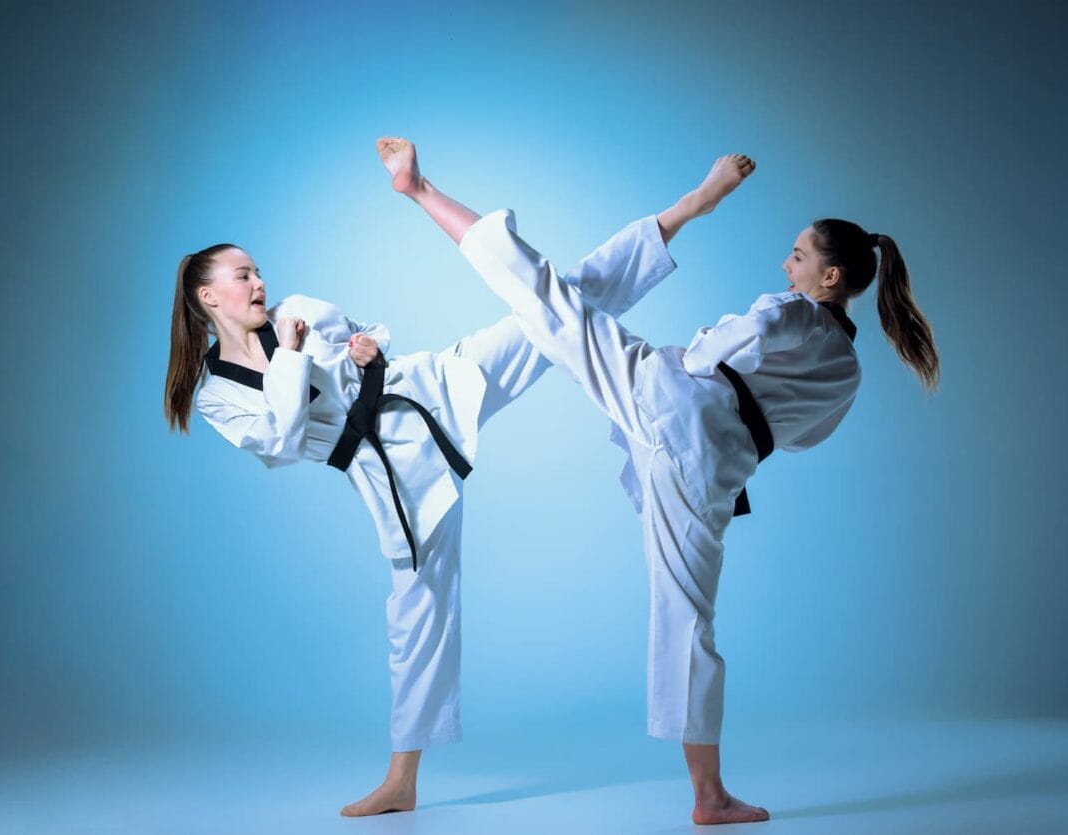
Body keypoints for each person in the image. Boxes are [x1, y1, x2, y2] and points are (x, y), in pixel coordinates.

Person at [379, 136, 939, 825]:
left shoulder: (795, 309)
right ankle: (709, 795)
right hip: (714, 466)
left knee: (547, 297)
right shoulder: (847, 373)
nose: (785, 262)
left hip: (677, 401)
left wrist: (694, 358)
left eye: (798, 255)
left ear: (830, 277)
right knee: (688, 617)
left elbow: (747, 331)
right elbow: (803, 436)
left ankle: (420, 191)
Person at [162, 144, 683, 815]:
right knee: (417, 617)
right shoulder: (216, 396)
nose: (258, 283)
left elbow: (370, 352)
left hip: (431, 389)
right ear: (209, 296)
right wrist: (292, 353)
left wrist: (365, 355)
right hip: (393, 478)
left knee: (552, 301)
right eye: (242, 275)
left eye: (258, 270)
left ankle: (678, 214)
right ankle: (401, 781)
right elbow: (284, 438)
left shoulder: (299, 306)